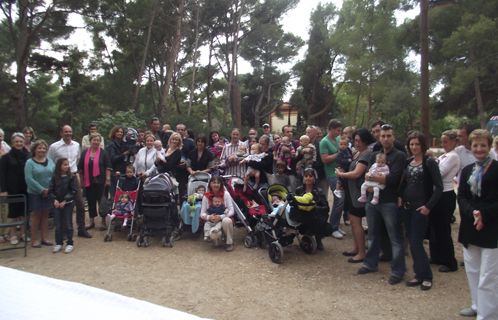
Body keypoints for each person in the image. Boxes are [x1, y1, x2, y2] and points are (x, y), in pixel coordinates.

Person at [357, 124, 407, 286]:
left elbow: (393, 178)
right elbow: (366, 177)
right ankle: (370, 264)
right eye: (382, 136)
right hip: (372, 200)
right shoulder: (375, 155)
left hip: (389, 202)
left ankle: (398, 271)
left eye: (388, 136)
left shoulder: (399, 156)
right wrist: (375, 180)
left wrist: (373, 178)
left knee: (395, 237)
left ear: (393, 137)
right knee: (372, 234)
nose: (385, 138)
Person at [457, 129, 498, 319]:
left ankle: (487, 314)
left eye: (483, 145)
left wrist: (483, 213)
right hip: (470, 225)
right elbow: (462, 196)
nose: (479, 149)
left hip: (492, 227)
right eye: (475, 145)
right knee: (473, 270)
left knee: (488, 275)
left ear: (490, 147)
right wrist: (471, 212)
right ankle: (476, 305)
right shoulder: (467, 170)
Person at [398, 132, 443, 291]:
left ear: (423, 145)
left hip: (420, 209)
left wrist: (428, 206)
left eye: (417, 144)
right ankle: (418, 274)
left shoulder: (429, 162)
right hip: (407, 208)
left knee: (417, 244)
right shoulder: (409, 162)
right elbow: (404, 183)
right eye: (411, 144)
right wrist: (400, 197)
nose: (414, 147)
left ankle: (427, 276)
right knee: (411, 241)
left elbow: (439, 187)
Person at [335, 128, 374, 263]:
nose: (357, 143)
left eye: (360, 141)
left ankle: (362, 253)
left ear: (366, 141)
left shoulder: (367, 155)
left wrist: (341, 175)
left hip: (359, 194)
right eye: (356, 140)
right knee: (352, 221)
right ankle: (356, 248)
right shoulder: (357, 153)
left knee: (356, 222)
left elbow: (357, 173)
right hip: (351, 192)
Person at [47, 125, 92, 238]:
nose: (68, 134)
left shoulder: (76, 145)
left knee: (80, 204)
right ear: (61, 133)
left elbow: (75, 160)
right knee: (64, 204)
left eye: (70, 132)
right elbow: (50, 161)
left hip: (72, 177)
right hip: (60, 178)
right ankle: (64, 231)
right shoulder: (54, 147)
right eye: (66, 132)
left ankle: (81, 229)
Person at [430, 130, 460, 272]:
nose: (443, 145)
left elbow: (439, 173)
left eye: (446, 142)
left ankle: (449, 261)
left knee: (443, 229)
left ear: (454, 141)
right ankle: (436, 256)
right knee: (434, 227)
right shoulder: (444, 156)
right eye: (442, 142)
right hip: (437, 193)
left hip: (445, 194)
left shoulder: (453, 156)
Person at [78, 132, 112, 231]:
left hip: (101, 181)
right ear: (90, 141)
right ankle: (91, 221)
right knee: (90, 201)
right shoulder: (84, 153)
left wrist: (108, 179)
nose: (96, 142)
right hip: (89, 182)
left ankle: (103, 222)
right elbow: (80, 169)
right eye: (94, 140)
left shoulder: (103, 152)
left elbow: (108, 167)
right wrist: (81, 181)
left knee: (102, 201)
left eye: (98, 140)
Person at [0, 132, 30, 245]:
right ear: (12, 143)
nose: (19, 143)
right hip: (12, 188)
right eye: (16, 141)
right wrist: (3, 190)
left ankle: (23, 233)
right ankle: (13, 234)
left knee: (24, 211)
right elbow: (2, 174)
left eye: (21, 141)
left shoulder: (27, 155)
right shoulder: (6, 157)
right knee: (13, 213)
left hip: (25, 187)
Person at [24, 139, 55, 248]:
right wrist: (42, 190)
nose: (42, 150)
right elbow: (29, 179)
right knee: (36, 216)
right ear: (34, 149)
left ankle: (44, 238)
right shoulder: (29, 163)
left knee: (46, 216)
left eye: (43, 148)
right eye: (39, 148)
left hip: (49, 193)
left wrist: (49, 190)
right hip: (35, 193)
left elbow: (54, 176)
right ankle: (35, 239)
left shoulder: (50, 161)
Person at [293, 168, 333, 250]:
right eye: (306, 176)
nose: (308, 178)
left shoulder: (319, 191)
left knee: (328, 229)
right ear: (303, 178)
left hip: (317, 218)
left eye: (310, 176)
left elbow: (326, 208)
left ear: (314, 178)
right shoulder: (299, 190)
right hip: (303, 219)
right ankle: (308, 234)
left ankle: (318, 238)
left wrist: (313, 208)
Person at [320, 119, 345, 239]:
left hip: (341, 173)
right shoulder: (324, 142)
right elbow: (325, 159)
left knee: (341, 200)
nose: (339, 133)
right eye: (338, 130)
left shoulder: (339, 140)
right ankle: (333, 227)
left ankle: (335, 225)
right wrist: (339, 154)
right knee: (338, 200)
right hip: (332, 173)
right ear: (331, 129)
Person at [47, 158, 78, 254]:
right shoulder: (54, 178)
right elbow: (50, 191)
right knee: (58, 224)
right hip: (57, 204)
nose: (67, 166)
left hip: (67, 204)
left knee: (68, 224)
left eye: (67, 164)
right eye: (64, 164)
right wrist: (55, 200)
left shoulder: (71, 177)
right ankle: (59, 243)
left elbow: (73, 191)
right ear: (59, 166)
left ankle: (70, 243)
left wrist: (65, 200)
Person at [200, 176, 235, 252]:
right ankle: (217, 240)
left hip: (223, 219)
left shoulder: (226, 194)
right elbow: (202, 213)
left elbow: (232, 211)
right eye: (214, 183)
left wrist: (221, 217)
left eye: (218, 183)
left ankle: (229, 242)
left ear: (221, 184)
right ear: (210, 184)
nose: (216, 185)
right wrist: (209, 217)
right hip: (212, 222)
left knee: (227, 220)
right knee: (213, 234)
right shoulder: (206, 196)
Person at [273, 125, 299, 192]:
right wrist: (281, 161)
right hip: (280, 173)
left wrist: (289, 151)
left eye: (291, 131)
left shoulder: (295, 143)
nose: (290, 133)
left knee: (291, 192)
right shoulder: (279, 143)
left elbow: (298, 157)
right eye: (287, 132)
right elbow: (274, 156)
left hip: (291, 173)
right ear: (283, 133)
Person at [107, 126, 129, 199]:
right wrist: (123, 154)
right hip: (115, 172)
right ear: (114, 133)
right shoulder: (112, 144)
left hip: (124, 171)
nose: (120, 133)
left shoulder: (124, 143)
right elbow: (112, 158)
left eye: (121, 132)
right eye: (118, 132)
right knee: (115, 194)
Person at [176, 124, 196, 201]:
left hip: (185, 171)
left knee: (182, 191)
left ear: (185, 131)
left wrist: (187, 163)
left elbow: (194, 155)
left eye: (182, 130)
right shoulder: (173, 141)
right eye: (178, 129)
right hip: (174, 171)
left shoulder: (190, 142)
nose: (180, 131)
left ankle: (182, 211)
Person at [0, 129, 11, 243]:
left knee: (7, 207)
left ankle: (6, 232)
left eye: (1, 136)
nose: (0, 138)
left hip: (5, 180)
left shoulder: (6, 147)